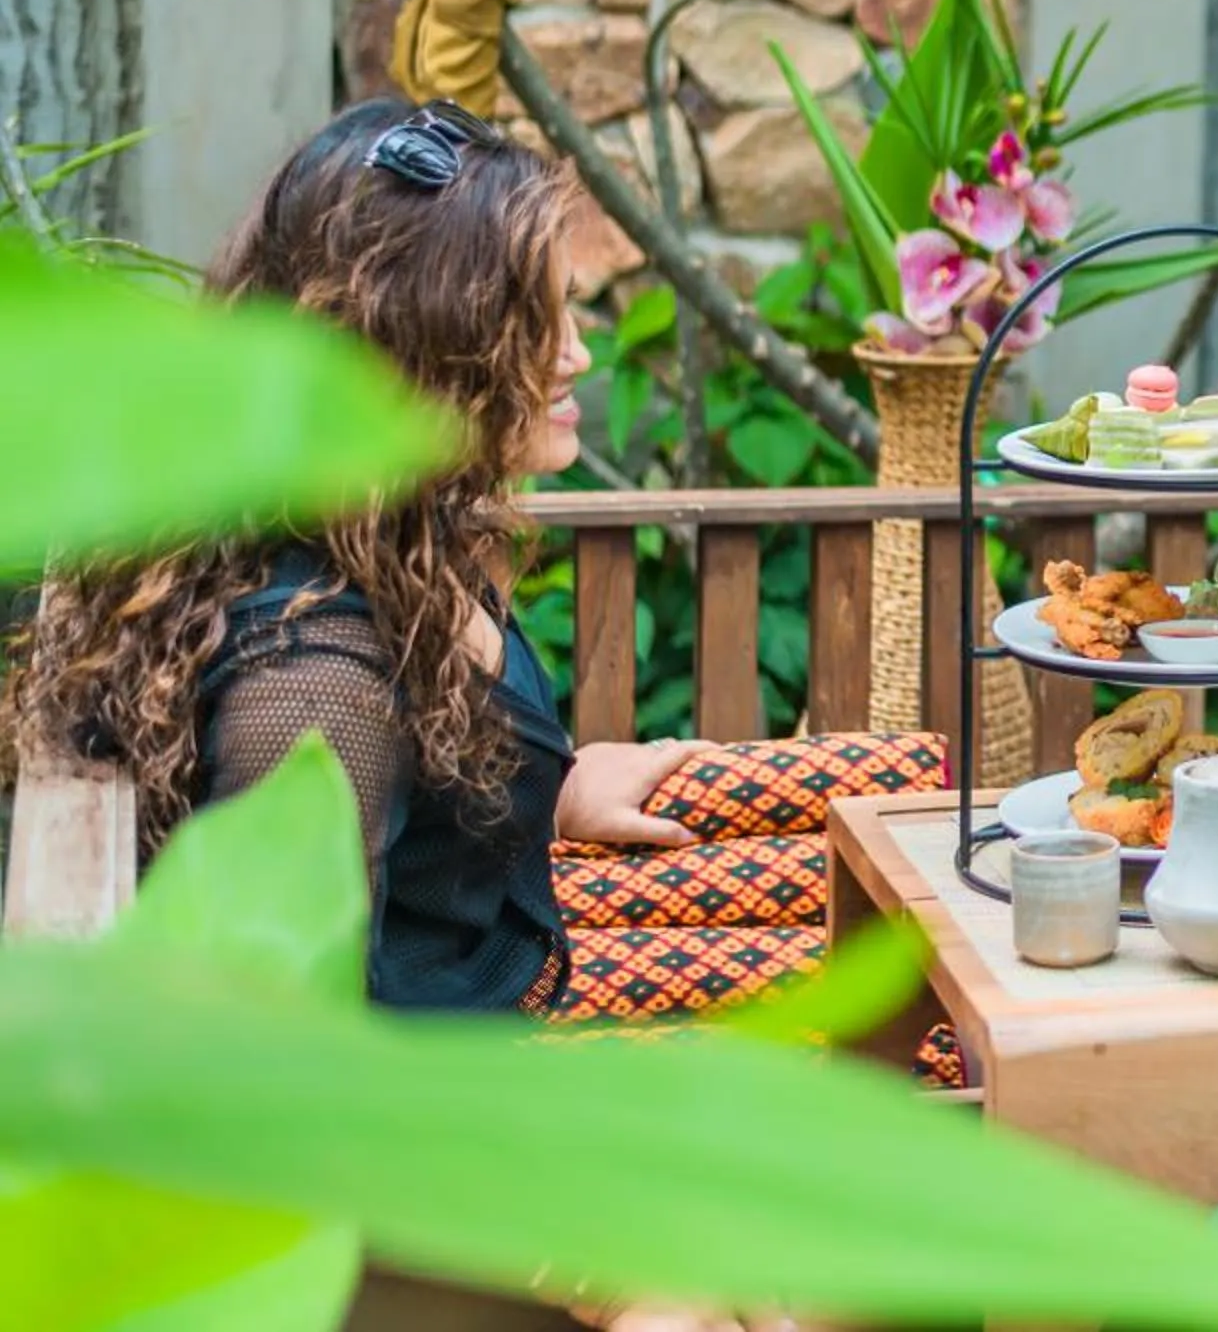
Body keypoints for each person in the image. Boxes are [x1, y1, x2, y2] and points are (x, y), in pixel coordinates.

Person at [9, 99, 725, 1330]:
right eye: (535, 322)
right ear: (427, 349)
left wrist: (555, 789)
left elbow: (412, 780)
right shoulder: (319, 671)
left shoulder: (384, 531)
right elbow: (275, 1072)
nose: (576, 355)